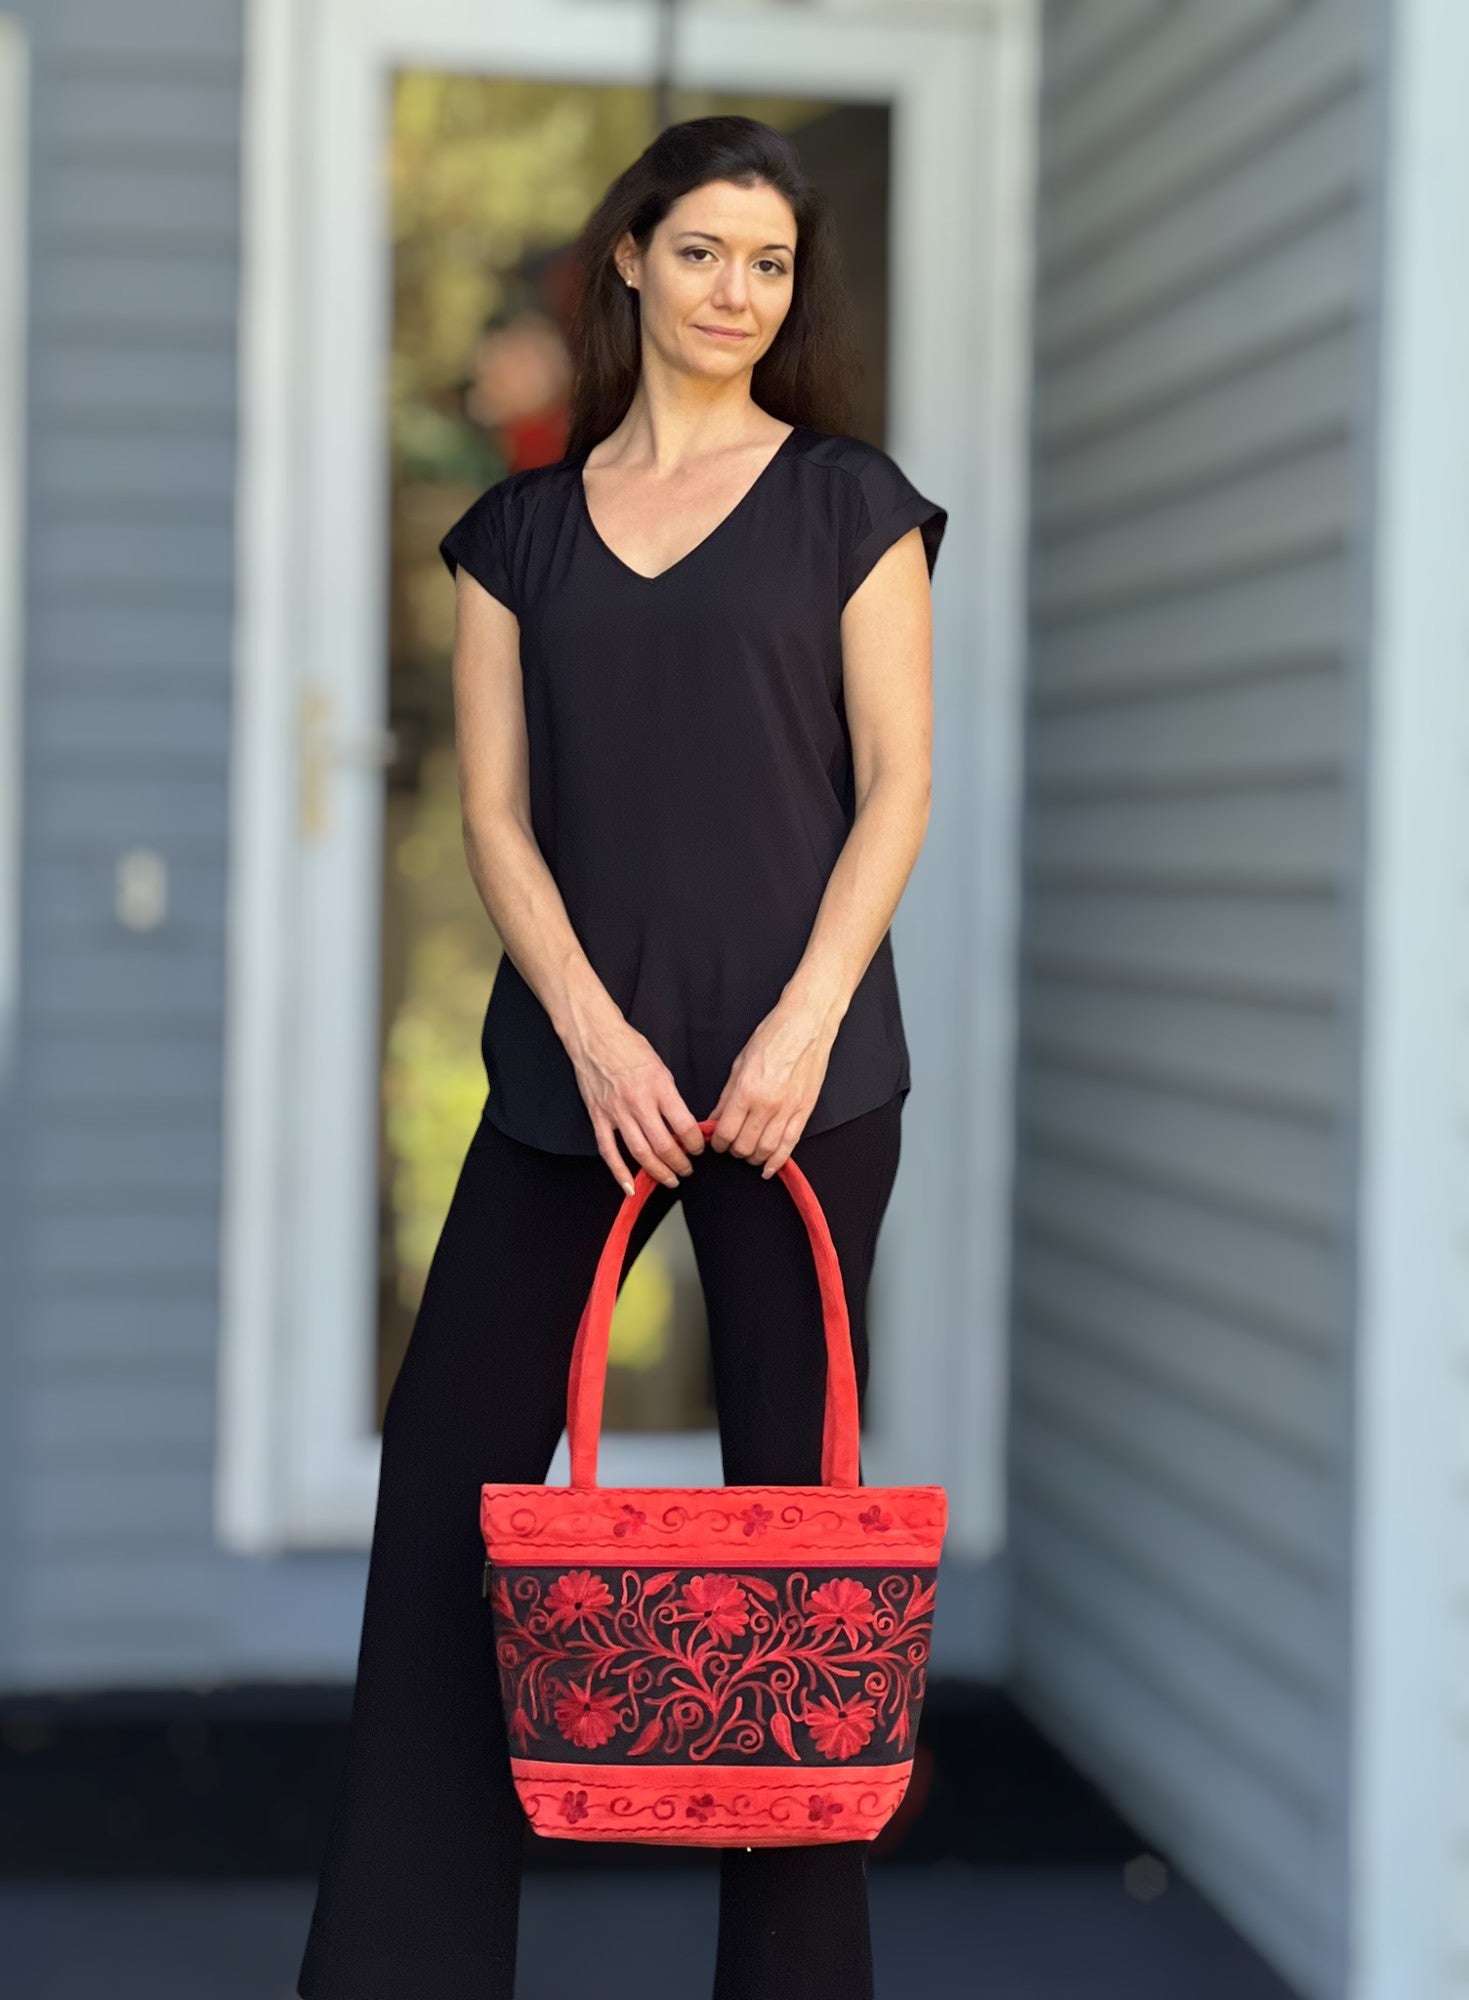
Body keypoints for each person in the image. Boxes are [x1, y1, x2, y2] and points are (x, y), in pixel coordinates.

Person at [297, 113, 946, 2000]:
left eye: (771, 265)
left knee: (792, 1563)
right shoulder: (516, 536)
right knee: (445, 1490)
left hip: (801, 1087)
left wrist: (805, 1024)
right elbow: (499, 820)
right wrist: (587, 1029)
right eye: (704, 255)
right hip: (565, 1084)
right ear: (630, 264)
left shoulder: (848, 505)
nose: (739, 294)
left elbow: (897, 782)